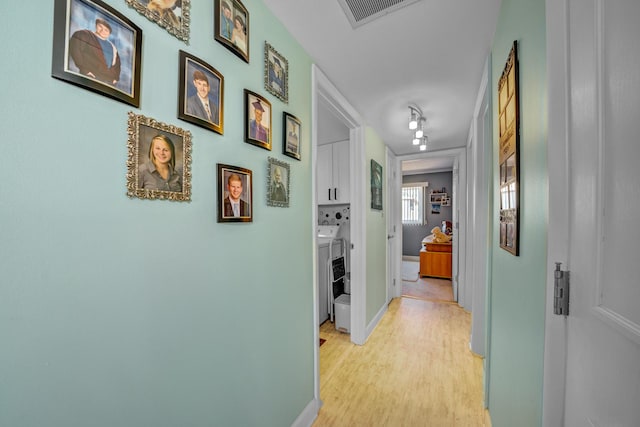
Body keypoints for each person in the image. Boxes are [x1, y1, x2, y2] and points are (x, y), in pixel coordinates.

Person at [68, 17, 121, 86]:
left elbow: (117, 65)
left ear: (109, 33)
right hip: (92, 76)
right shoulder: (85, 34)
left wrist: (115, 78)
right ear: (96, 26)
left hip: (108, 81)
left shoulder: (112, 47)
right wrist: (85, 70)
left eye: (106, 30)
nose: (102, 30)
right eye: (100, 26)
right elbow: (75, 50)